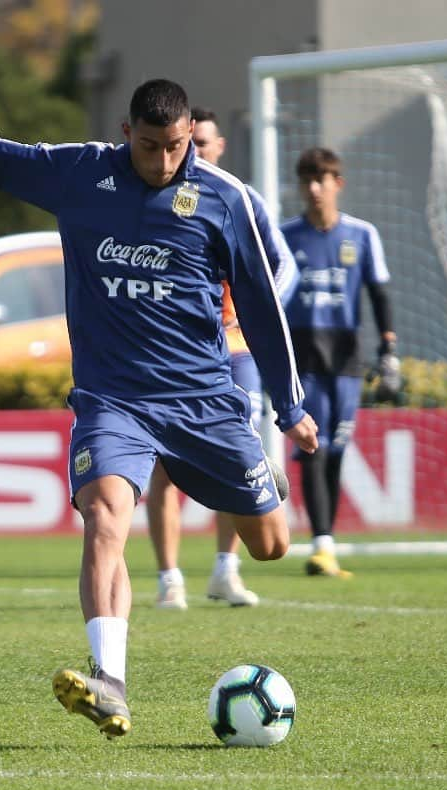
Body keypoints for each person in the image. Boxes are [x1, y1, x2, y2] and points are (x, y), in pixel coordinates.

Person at [0, 57, 318, 739]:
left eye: (177, 145)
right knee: (105, 517)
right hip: (112, 399)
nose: (164, 159)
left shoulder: (223, 198)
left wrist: (289, 407)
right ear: (127, 133)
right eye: (150, 146)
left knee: (270, 544)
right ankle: (110, 681)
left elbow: (263, 306)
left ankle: (200, 497)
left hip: (204, 400)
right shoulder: (81, 172)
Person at [147, 107, 298, 610]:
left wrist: (249, 317)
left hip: (236, 353)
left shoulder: (238, 196)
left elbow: (284, 268)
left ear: (218, 145)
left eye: (206, 144)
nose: (199, 153)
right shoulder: (154, 198)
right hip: (179, 357)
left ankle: (224, 571)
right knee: (164, 467)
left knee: (238, 457)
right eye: (197, 145)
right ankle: (169, 578)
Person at [281, 147, 399, 579]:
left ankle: (324, 543)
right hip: (303, 355)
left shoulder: (362, 234)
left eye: (322, 179)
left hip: (347, 356)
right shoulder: (284, 236)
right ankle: (322, 544)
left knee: (337, 449)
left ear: (337, 184)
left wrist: (389, 349)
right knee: (312, 446)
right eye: (307, 180)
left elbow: (379, 293)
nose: (314, 188)